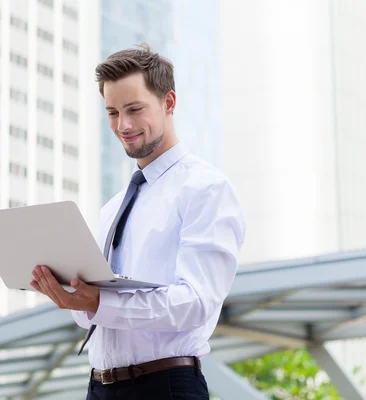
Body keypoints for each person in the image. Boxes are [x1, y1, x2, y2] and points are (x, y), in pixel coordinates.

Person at [30, 44, 246, 400]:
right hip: (100, 387)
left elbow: (195, 302)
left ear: (169, 103)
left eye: (134, 109)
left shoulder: (206, 189)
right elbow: (96, 316)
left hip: (165, 388)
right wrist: (73, 298)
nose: (123, 125)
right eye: (112, 112)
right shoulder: (112, 208)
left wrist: (100, 303)